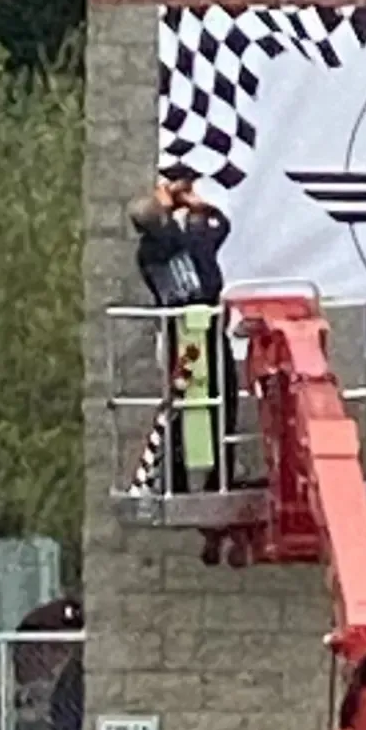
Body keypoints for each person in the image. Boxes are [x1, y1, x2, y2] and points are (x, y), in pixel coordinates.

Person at [127, 165, 237, 492]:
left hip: (179, 339)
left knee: (179, 405)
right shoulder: (193, 239)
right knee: (222, 402)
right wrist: (194, 204)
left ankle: (176, 479)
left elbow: (165, 236)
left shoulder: (146, 254)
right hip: (209, 337)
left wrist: (166, 208)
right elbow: (221, 227)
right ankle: (220, 477)